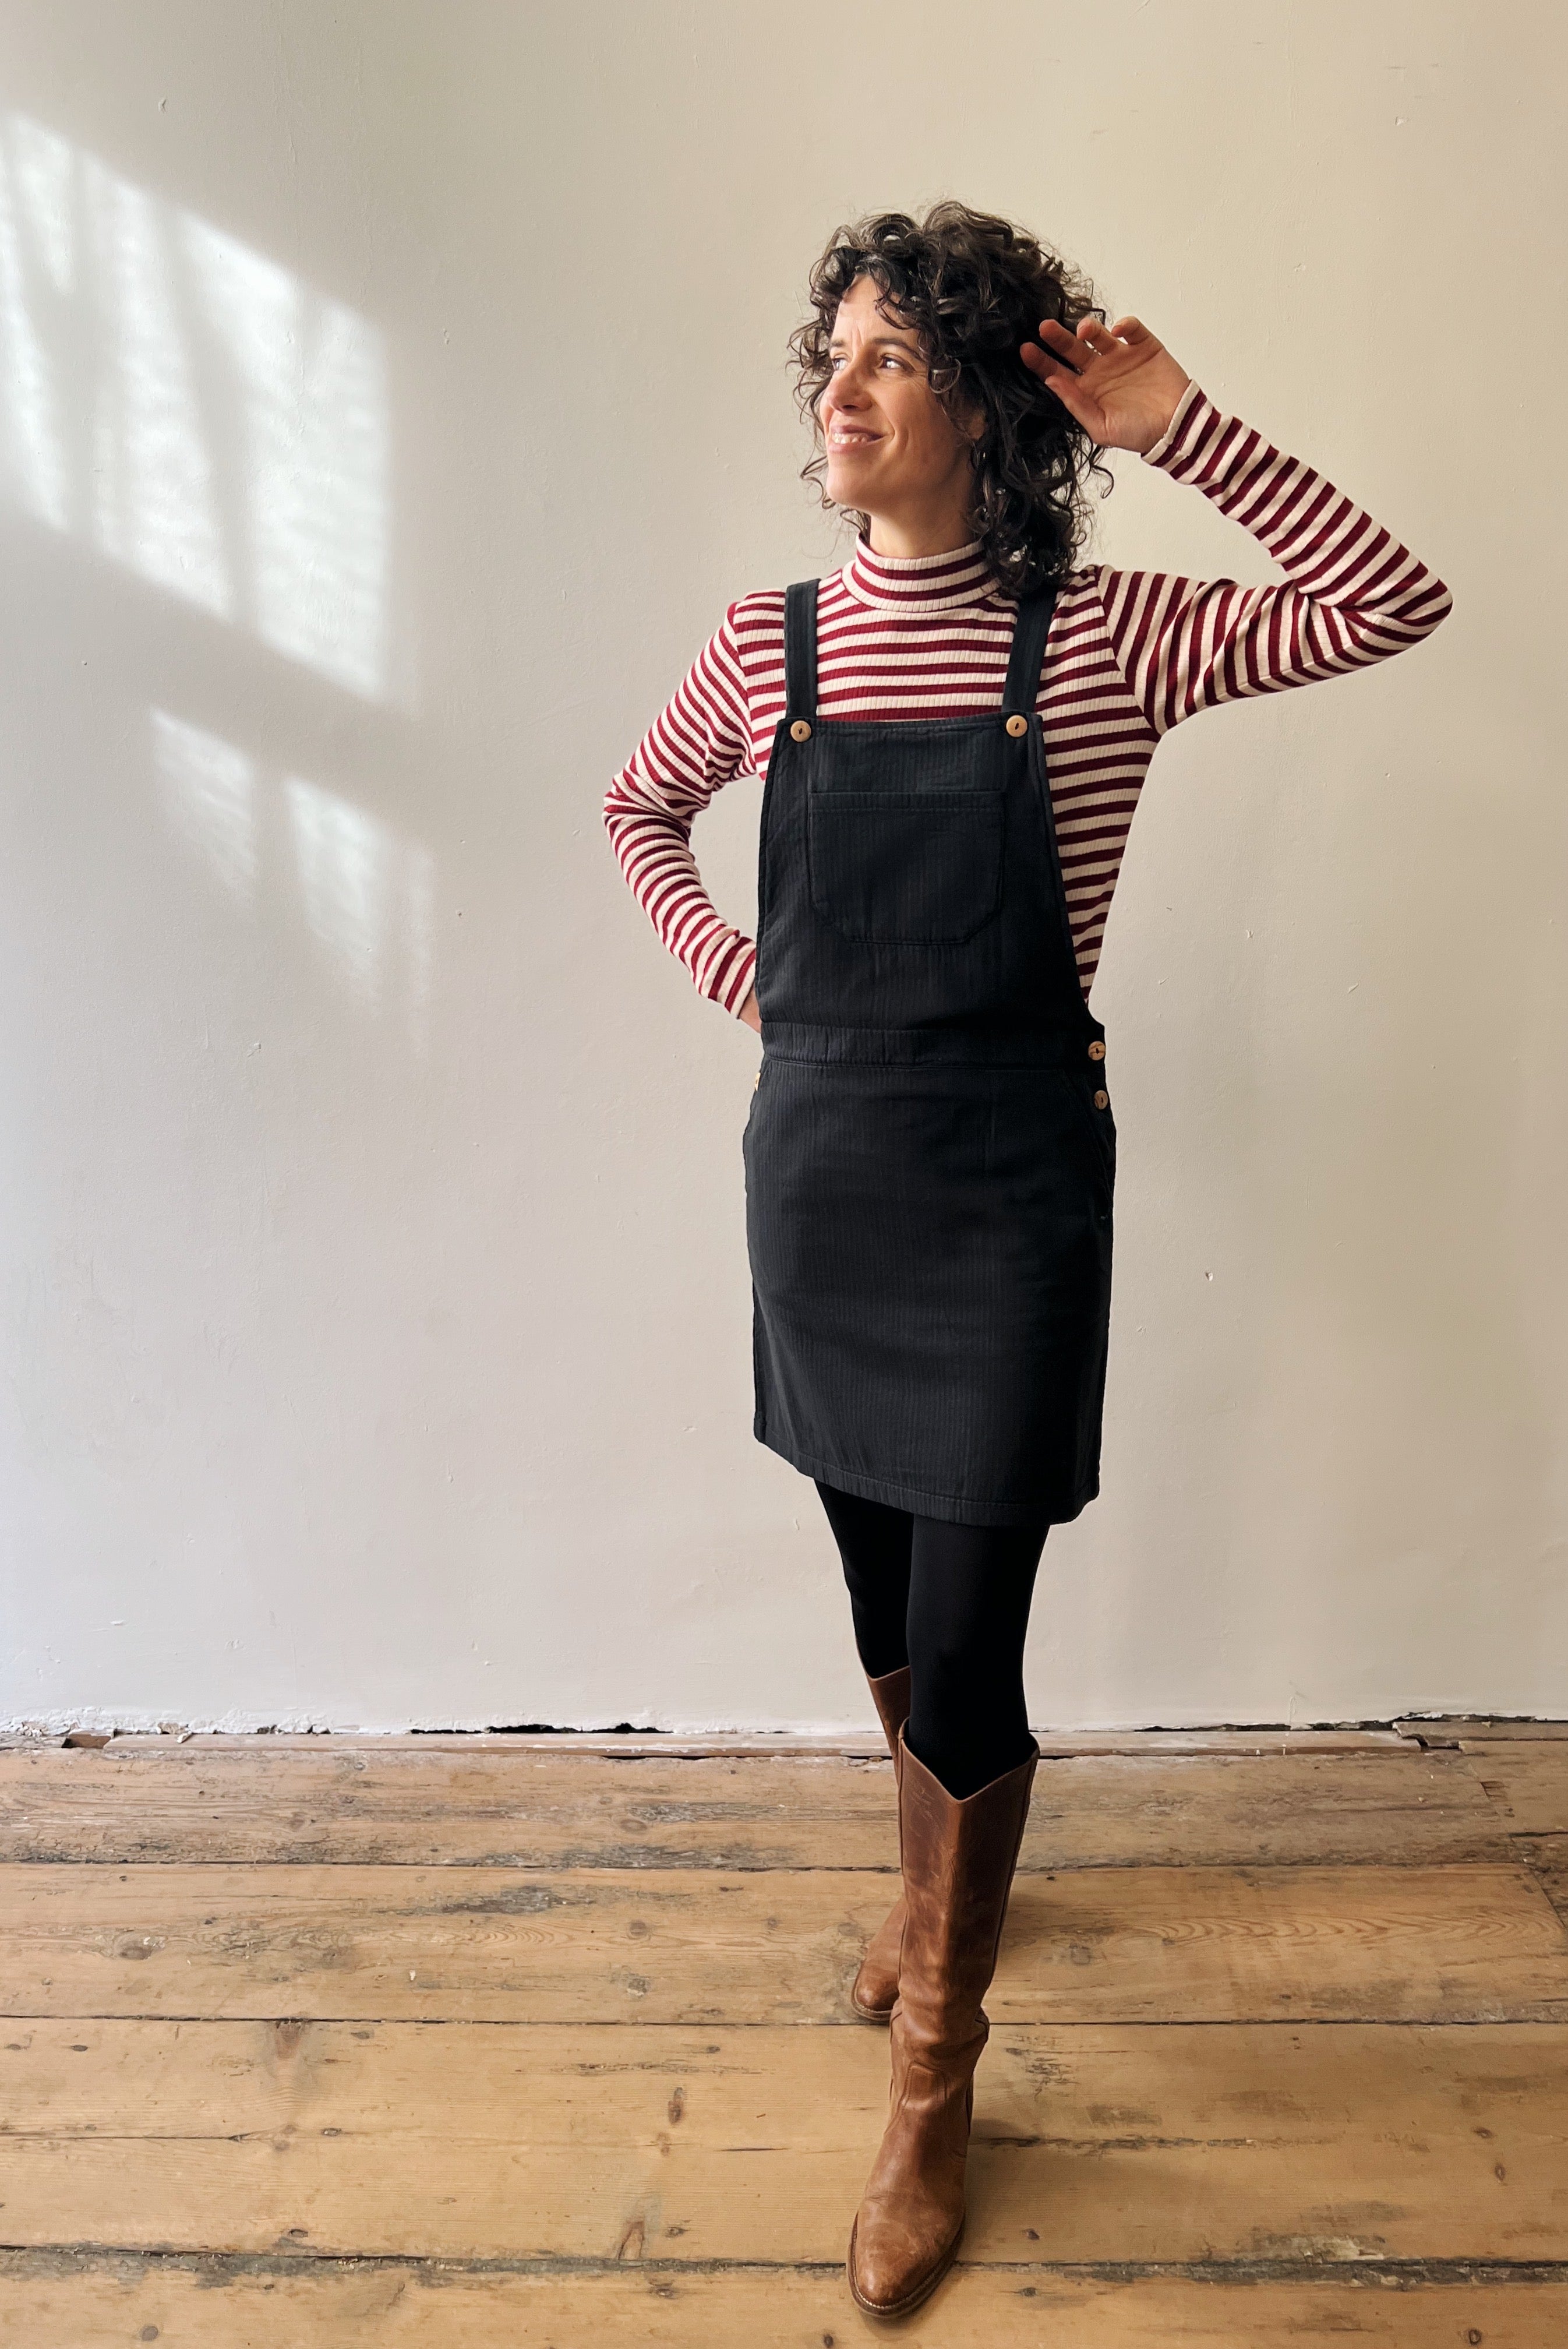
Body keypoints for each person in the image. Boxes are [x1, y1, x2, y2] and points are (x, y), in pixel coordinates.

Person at [603, 201, 1450, 2320]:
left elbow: (1388, 598)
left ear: (985, 403)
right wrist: (754, 983)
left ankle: (933, 2077)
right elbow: (635, 811)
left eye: (892, 357)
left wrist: (1185, 428)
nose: (842, 389)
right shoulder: (767, 642)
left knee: (969, 1636)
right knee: (876, 1586)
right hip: (822, 1175)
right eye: (835, 353)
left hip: (1000, 1192)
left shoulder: (1104, 635)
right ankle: (923, 1898)